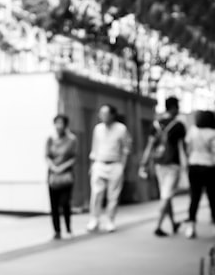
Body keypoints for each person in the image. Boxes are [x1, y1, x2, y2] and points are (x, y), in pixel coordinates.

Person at [140, 96, 187, 237]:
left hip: (159, 164)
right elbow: (183, 148)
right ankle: (158, 226)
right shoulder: (178, 126)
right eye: (177, 107)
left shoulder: (156, 125)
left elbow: (149, 146)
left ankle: (173, 223)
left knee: (166, 194)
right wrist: (188, 164)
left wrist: (143, 164)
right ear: (173, 108)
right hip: (173, 165)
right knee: (166, 195)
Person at [87, 104, 131, 233]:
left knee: (113, 195)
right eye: (101, 113)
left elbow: (126, 149)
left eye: (105, 113)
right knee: (96, 194)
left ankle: (110, 220)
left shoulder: (121, 129)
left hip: (115, 164)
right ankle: (94, 219)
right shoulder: (98, 129)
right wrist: (92, 165)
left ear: (112, 115)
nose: (102, 116)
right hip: (99, 164)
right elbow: (94, 148)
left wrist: (122, 166)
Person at [181, 110, 215, 239]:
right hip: (209, 168)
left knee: (194, 197)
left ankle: (191, 226)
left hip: (194, 166)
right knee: (212, 198)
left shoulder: (192, 131)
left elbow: (188, 149)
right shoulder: (213, 134)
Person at [45, 113, 78, 240]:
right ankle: (57, 231)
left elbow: (74, 157)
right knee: (53, 205)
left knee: (65, 203)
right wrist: (54, 167)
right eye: (56, 123)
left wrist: (61, 168)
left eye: (61, 123)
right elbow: (47, 156)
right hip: (53, 175)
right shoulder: (50, 139)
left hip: (66, 175)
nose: (59, 126)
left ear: (65, 125)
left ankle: (68, 228)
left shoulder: (72, 139)